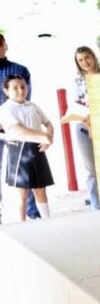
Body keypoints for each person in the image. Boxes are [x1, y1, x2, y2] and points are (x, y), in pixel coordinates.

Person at [0, 75, 53, 221]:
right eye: (15, 88)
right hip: (19, 150)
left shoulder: (33, 106)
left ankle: (48, 220)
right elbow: (18, 130)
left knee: (41, 189)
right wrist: (42, 135)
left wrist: (49, 137)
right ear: (6, 91)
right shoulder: (5, 109)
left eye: (23, 87)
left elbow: (48, 123)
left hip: (37, 149)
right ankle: (22, 225)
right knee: (22, 193)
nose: (20, 91)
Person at [0, 34, 40, 221]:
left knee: (27, 168)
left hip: (19, 128)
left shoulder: (19, 70)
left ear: (5, 46)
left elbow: (25, 99)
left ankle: (33, 213)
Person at [72, 46, 100, 210]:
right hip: (84, 128)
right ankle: (96, 208)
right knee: (91, 170)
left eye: (87, 58)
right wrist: (88, 124)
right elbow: (77, 107)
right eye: (80, 60)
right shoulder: (78, 81)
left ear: (93, 56)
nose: (85, 62)